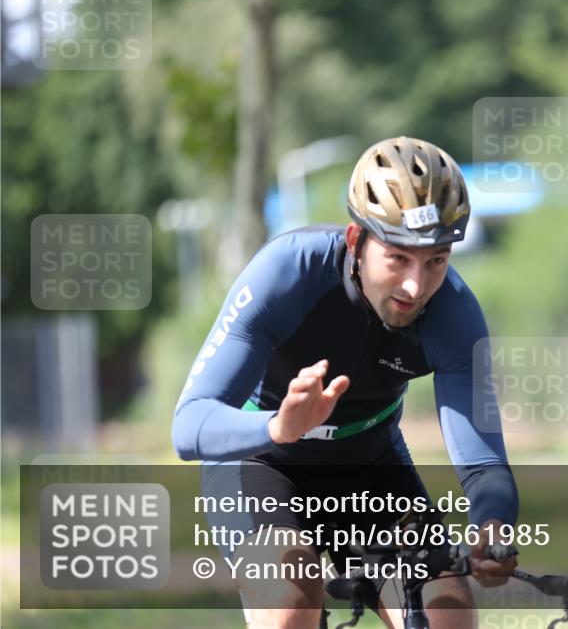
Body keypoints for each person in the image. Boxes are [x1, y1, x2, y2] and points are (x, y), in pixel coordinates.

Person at [172, 136, 519, 629]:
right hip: (261, 463)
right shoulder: (288, 273)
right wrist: (278, 427)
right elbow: (189, 426)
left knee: (448, 616)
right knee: (290, 598)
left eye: (436, 260)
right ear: (357, 242)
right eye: (398, 258)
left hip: (369, 466)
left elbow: (483, 464)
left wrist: (493, 527)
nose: (415, 287)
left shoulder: (454, 314)